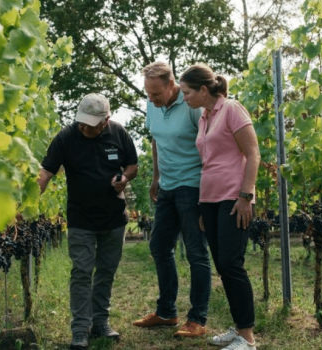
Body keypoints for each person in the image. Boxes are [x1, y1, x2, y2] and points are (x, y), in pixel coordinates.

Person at [38, 93, 138, 350]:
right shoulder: (66, 136)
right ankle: (80, 329)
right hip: (81, 218)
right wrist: (23, 202)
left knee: (106, 272)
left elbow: (132, 165)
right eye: (81, 122)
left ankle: (101, 322)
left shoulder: (120, 134)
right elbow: (46, 171)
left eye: (90, 124)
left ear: (106, 120)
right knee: (81, 272)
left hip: (114, 218)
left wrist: (124, 180)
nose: (84, 128)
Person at [179, 63, 260, 350]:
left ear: (203, 90)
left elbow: (252, 153)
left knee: (231, 264)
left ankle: (248, 338)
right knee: (222, 267)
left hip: (233, 198)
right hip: (210, 200)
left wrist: (245, 196)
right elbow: (209, 162)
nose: (184, 97)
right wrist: (202, 207)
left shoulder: (232, 109)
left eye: (187, 92)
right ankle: (239, 328)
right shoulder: (204, 117)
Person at [132, 62, 212, 338]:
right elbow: (155, 140)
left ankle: (197, 319)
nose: (151, 98)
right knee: (159, 246)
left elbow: (208, 146)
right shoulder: (151, 104)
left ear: (171, 85)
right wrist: (156, 177)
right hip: (166, 186)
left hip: (192, 187)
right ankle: (166, 312)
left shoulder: (192, 106)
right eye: (148, 93)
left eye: (155, 93)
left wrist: (208, 191)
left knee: (195, 252)